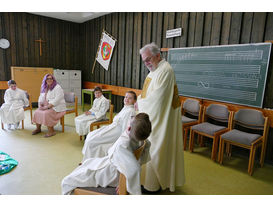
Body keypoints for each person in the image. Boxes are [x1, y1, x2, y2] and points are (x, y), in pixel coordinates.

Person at [61, 113, 152, 195]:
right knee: (87, 162)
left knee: (66, 181)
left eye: (131, 119)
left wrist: (124, 184)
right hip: (110, 168)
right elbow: (132, 163)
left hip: (107, 175)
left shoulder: (122, 145)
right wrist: (128, 180)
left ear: (128, 128)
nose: (130, 117)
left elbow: (134, 168)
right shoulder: (143, 141)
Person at [136, 42, 185, 192]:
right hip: (154, 115)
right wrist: (140, 99)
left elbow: (157, 101)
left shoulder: (165, 71)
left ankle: (153, 186)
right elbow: (148, 93)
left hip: (161, 118)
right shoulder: (155, 70)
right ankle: (145, 181)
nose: (146, 63)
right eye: (144, 61)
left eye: (148, 59)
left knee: (156, 148)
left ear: (158, 55)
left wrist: (139, 103)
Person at [81, 91, 137, 162]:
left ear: (134, 101)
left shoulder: (130, 111)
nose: (126, 99)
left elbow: (125, 129)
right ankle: (87, 160)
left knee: (92, 140)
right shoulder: (126, 108)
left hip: (116, 132)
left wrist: (119, 142)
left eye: (130, 98)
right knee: (90, 135)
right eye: (126, 97)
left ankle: (89, 162)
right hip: (112, 128)